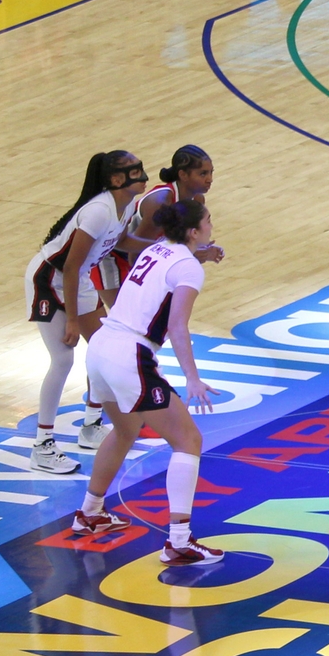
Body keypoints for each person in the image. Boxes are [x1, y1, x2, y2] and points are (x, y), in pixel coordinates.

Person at [73, 200, 224, 566]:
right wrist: (192, 377)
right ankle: (178, 541)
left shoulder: (159, 248)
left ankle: (90, 513)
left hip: (102, 348)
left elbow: (175, 267)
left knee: (125, 430)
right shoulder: (188, 267)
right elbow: (177, 326)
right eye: (207, 221)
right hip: (130, 355)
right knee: (188, 439)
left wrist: (202, 255)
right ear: (194, 231)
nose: (211, 224)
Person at [23, 151, 147, 474]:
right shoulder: (97, 211)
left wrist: (163, 245)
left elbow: (122, 242)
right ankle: (42, 445)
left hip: (77, 280)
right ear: (117, 180)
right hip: (49, 278)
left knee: (105, 348)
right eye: (137, 171)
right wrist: (74, 321)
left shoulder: (127, 206)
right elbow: (71, 264)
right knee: (63, 359)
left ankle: (92, 426)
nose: (144, 175)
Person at [94, 144, 223, 310]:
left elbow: (179, 243)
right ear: (183, 175)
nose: (209, 179)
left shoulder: (197, 200)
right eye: (203, 173)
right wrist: (187, 255)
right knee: (128, 314)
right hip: (111, 255)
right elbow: (135, 256)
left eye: (211, 172)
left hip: (142, 255)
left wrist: (204, 250)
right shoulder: (161, 203)